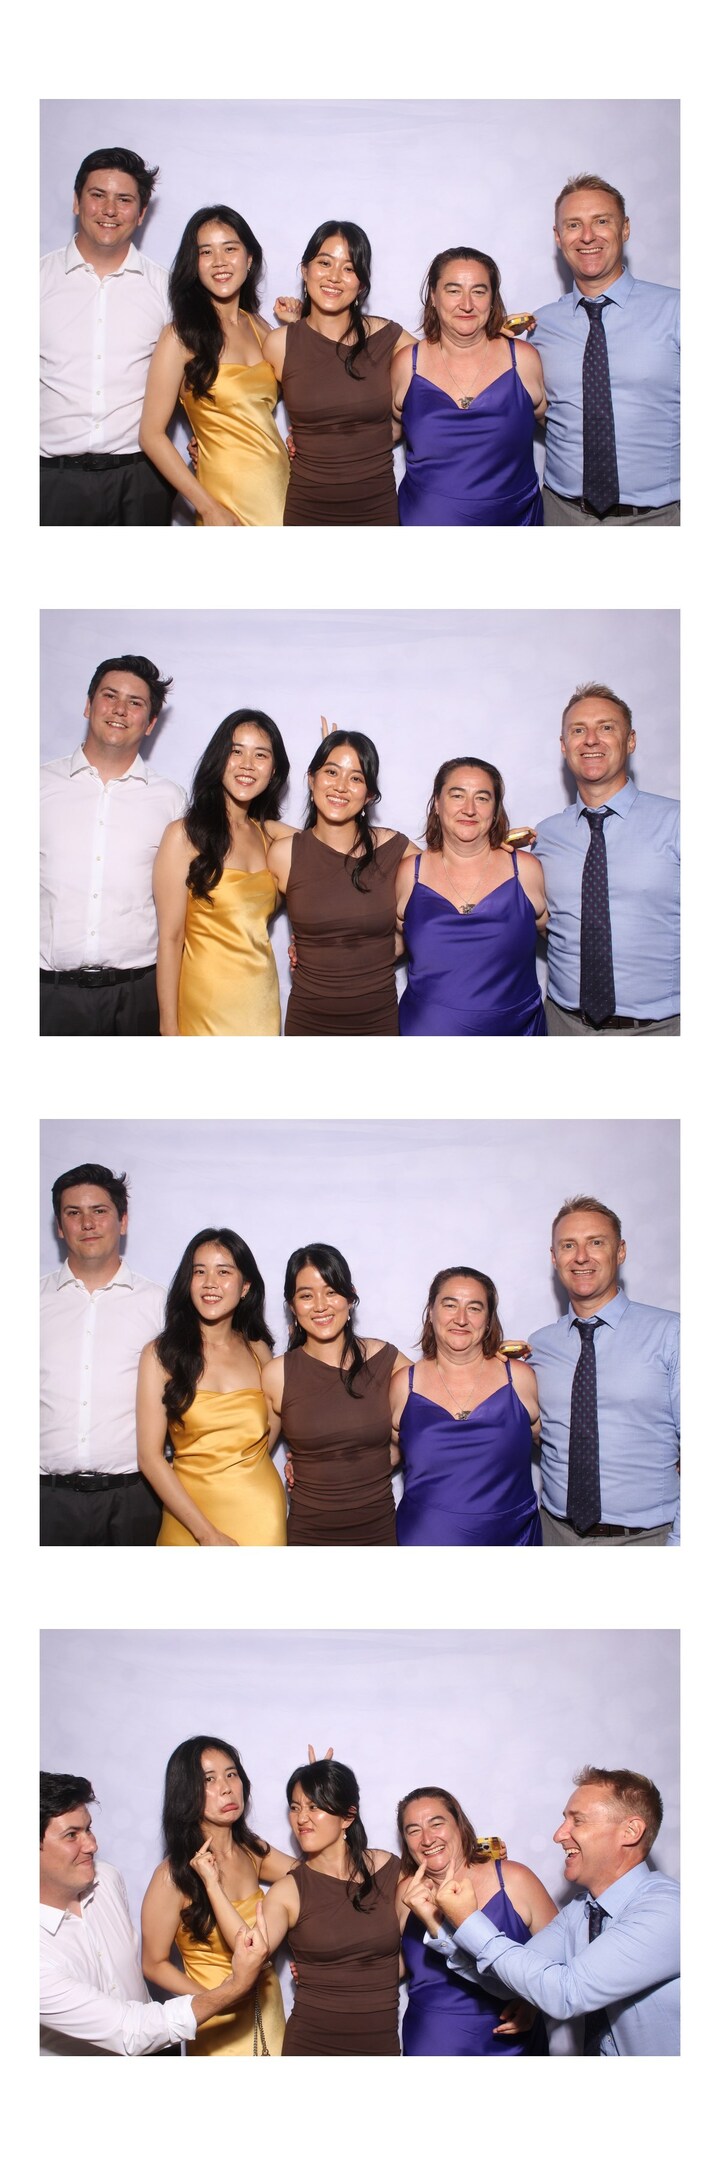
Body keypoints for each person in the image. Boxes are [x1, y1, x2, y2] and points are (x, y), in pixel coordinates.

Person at [416, 1766, 680, 2055]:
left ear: (630, 1832)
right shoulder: (580, 1911)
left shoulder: (667, 1909)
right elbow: (509, 1984)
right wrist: (441, 1928)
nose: (559, 1835)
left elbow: (567, 1993)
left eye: (577, 1820)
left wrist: (468, 1920)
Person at [40, 1771, 255, 2054]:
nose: (92, 1845)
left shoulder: (106, 1878)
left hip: (160, 2046)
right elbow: (129, 2031)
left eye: (88, 1829)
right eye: (71, 1835)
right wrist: (233, 1988)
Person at [40, 653, 185, 1036]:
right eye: (110, 696)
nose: (120, 709)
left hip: (139, 996)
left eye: (135, 702)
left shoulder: (171, 800)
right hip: (48, 996)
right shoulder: (37, 787)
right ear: (89, 705)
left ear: (150, 723)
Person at [527, 174, 680, 526]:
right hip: (562, 514)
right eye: (573, 225)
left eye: (601, 221)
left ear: (625, 228)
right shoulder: (541, 326)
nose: (587, 236)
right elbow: (537, 408)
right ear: (558, 237)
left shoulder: (677, 311)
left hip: (661, 518)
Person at [221, 1759, 403, 2054]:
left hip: (380, 2043)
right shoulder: (288, 1891)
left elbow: (419, 1950)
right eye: (295, 1807)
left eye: (313, 1806)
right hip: (311, 2042)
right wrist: (211, 1884)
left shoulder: (388, 1869)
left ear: (347, 1817)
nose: (301, 1818)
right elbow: (251, 1953)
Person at [529, 1196, 680, 1546]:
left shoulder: (672, 1334)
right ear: (554, 1257)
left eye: (596, 1242)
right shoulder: (539, 1346)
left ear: (620, 1251)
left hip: (647, 1540)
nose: (581, 1257)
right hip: (554, 1534)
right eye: (568, 1245)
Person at [532, 682, 680, 1035]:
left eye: (606, 727)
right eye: (578, 730)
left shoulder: (679, 823)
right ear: (564, 745)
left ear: (630, 741)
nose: (591, 740)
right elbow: (546, 921)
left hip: (662, 1030)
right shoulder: (546, 836)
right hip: (563, 1024)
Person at [40, 147, 174, 526]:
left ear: (141, 213)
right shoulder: (34, 281)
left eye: (124, 200)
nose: (110, 210)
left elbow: (191, 378)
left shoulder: (166, 290)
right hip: (49, 480)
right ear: (76, 202)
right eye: (98, 195)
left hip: (142, 480)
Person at [141, 1736, 293, 2055]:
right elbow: (153, 1964)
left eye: (231, 1774)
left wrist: (321, 1798)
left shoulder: (251, 1851)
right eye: (208, 1779)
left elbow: (316, 1877)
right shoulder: (173, 1875)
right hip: (217, 2024)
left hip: (269, 2012)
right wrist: (215, 1999)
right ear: (186, 1792)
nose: (226, 1788)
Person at [140, 205, 290, 526]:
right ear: (193, 264)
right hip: (224, 502)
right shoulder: (179, 337)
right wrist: (207, 507)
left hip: (281, 488)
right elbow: (151, 435)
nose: (219, 261)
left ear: (249, 259)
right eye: (206, 252)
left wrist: (299, 325)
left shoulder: (262, 328)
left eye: (230, 249)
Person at [40, 1163, 165, 1546]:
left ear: (122, 1221)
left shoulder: (160, 1306)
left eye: (99, 1210)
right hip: (45, 1501)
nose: (87, 1223)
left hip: (136, 1500)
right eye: (73, 1213)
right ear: (60, 1227)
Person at [137, 1228, 286, 1547]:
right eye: (199, 1271)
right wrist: (206, 1534)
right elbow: (149, 1458)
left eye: (224, 1272)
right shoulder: (160, 1355)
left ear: (245, 1286)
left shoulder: (259, 1351)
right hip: (187, 1516)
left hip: (259, 1511)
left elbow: (271, 1429)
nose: (210, 1283)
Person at [153, 709, 293, 1035]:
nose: (247, 764)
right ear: (219, 758)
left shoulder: (269, 839)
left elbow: (326, 846)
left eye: (261, 755)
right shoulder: (183, 835)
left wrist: (329, 776)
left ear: (273, 770)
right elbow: (170, 939)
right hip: (205, 1007)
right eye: (236, 751)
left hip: (261, 1002)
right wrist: (168, 1027)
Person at [264, 221, 412, 525]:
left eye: (349, 268)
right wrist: (211, 440)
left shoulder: (390, 339)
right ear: (305, 270)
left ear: (362, 284)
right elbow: (245, 405)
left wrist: (491, 339)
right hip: (307, 509)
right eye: (324, 263)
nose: (334, 276)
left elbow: (446, 374)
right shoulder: (279, 344)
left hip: (376, 510)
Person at [262, 1244, 408, 1545]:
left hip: (379, 1532)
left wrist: (384, 1456)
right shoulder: (277, 1374)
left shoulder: (387, 1360)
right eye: (306, 1295)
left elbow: (439, 1417)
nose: (320, 1305)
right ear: (292, 1306)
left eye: (331, 1292)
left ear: (350, 1297)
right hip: (309, 1535)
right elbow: (252, 1456)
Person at [269, 731, 409, 1035]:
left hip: (377, 1022)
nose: (341, 786)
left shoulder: (395, 850)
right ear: (311, 779)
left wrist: (394, 945)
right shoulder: (283, 855)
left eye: (356, 778)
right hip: (308, 1020)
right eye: (331, 772)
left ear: (369, 795)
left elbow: (448, 890)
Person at [392, 247, 546, 525]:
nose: (466, 304)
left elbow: (564, 428)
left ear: (492, 298)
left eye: (478, 291)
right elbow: (383, 435)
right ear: (433, 297)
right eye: (453, 291)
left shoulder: (524, 360)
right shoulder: (407, 363)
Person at [397, 1787, 555, 2053]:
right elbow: (394, 1966)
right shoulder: (406, 1892)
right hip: (431, 2044)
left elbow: (562, 1957)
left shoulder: (514, 1879)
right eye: (413, 1830)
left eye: (437, 1823)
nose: (427, 1839)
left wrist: (535, 2003)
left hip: (510, 2044)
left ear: (459, 1824)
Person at [396, 757, 547, 1035]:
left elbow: (565, 940)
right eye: (457, 795)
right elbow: (388, 945)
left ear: (495, 809)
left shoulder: (526, 870)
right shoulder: (409, 873)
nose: (469, 809)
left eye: (482, 798)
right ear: (437, 804)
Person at [391, 1269, 542, 1546]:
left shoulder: (521, 1378)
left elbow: (559, 1449)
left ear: (488, 1319)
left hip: (513, 1539)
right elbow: (382, 1456)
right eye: (450, 1305)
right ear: (431, 1312)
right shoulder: (404, 1384)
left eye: (474, 1308)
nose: (461, 1318)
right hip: (425, 1540)